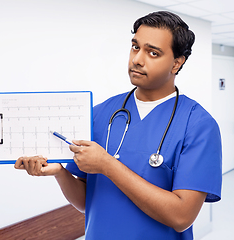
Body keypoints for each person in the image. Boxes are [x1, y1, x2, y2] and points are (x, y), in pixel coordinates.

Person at [15, 11, 222, 239]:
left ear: (176, 63)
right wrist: (60, 174)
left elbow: (181, 217)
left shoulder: (199, 125)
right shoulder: (100, 113)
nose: (137, 59)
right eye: (135, 47)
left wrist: (108, 165)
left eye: (153, 53)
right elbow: (86, 201)